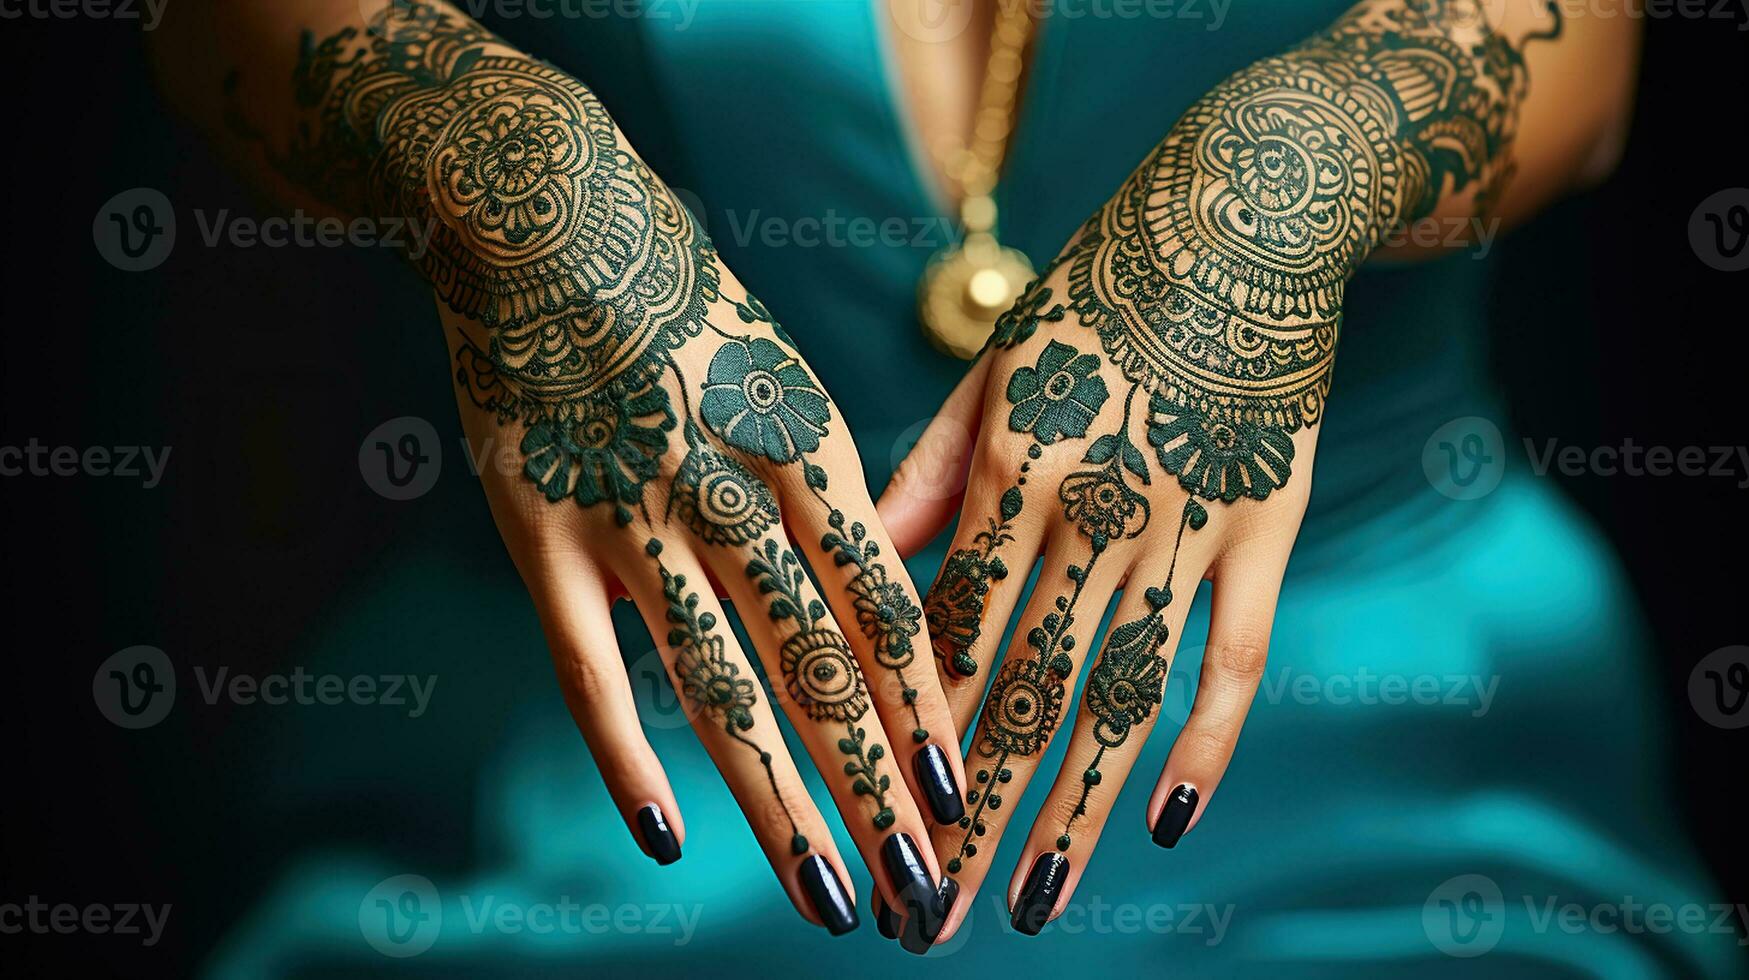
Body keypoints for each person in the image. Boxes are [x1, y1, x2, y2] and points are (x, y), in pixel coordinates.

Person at [152, 0, 1737, 971]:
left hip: (1376, 736)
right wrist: (492, 163)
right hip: (631, 731)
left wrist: (1300, 164)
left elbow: (1585, 33)